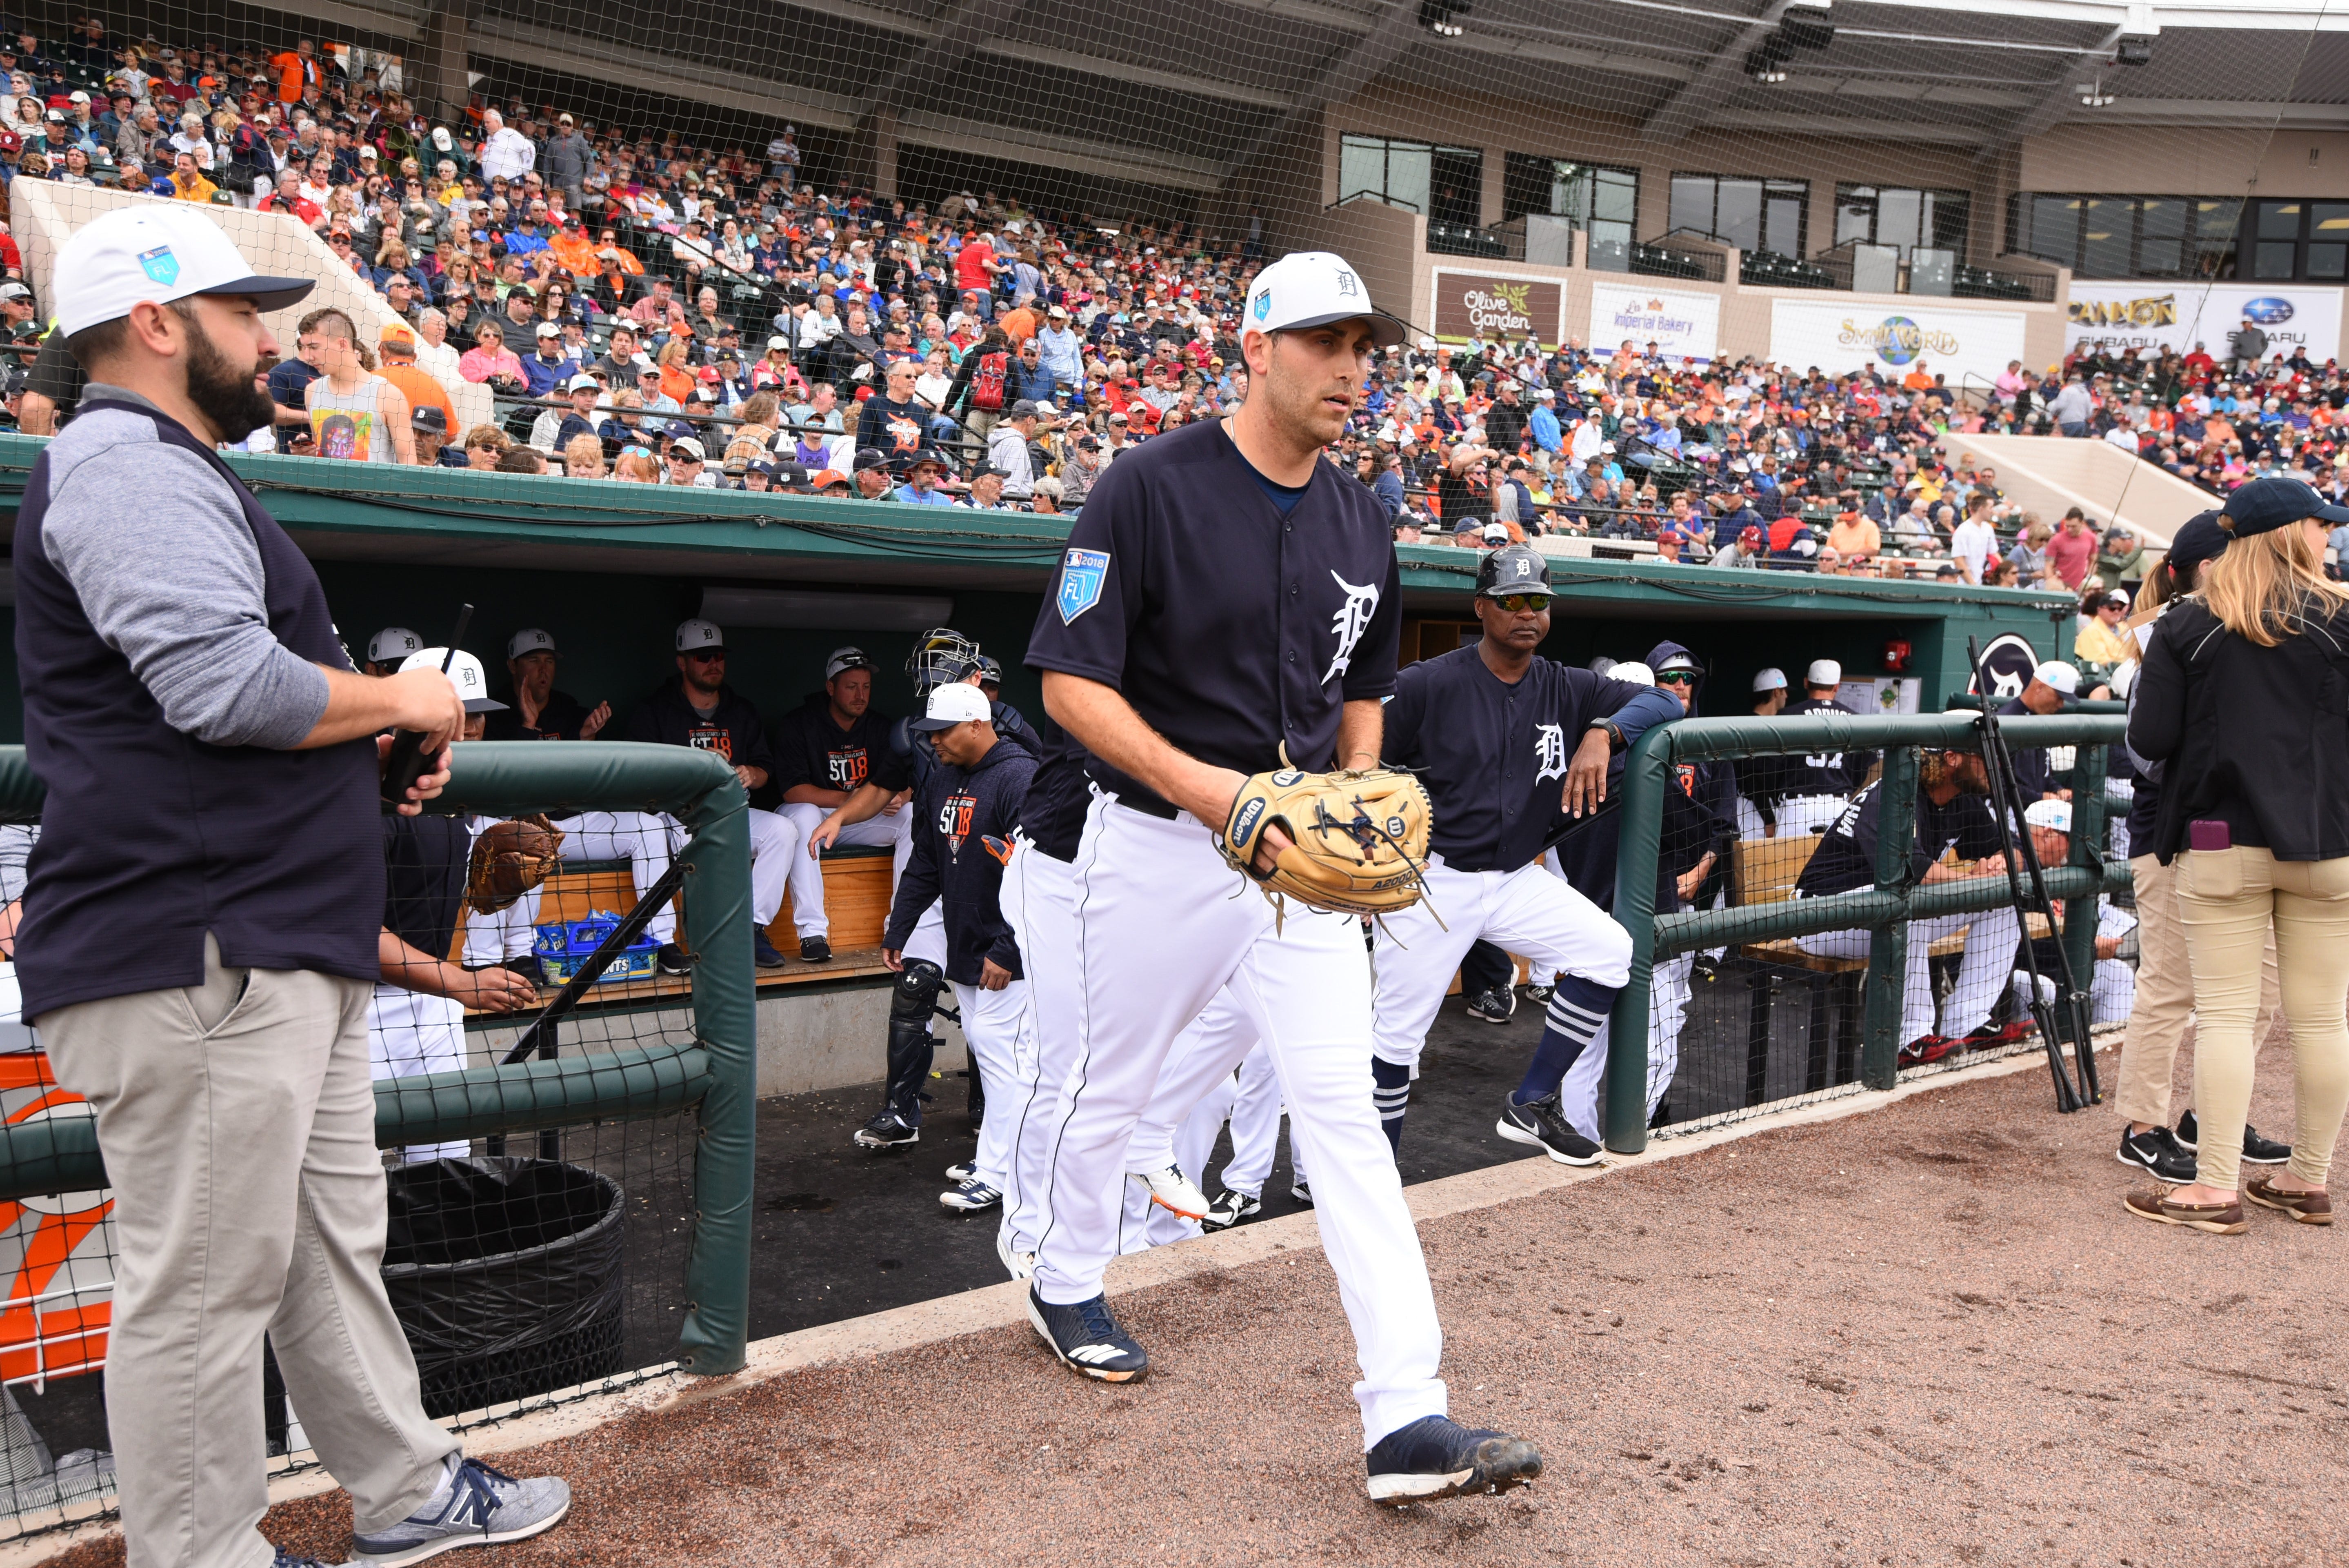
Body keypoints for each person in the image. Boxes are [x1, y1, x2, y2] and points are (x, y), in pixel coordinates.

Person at [14, 202, 569, 1568]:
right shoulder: (123, 462)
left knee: (327, 1242)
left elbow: (216, 713)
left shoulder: (173, 465)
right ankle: (199, 1554)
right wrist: (411, 689)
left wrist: (367, 761)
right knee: (205, 1284)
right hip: (200, 946)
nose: (267, 336)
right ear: (155, 323)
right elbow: (218, 686)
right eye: (238, 312)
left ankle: (404, 1487)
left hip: (270, 934)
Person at [1020, 251, 1540, 1501]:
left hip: (1298, 860)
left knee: (1345, 1114)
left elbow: (1361, 687)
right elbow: (1067, 681)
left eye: (1366, 346)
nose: (1352, 369)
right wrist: (1227, 797)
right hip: (1153, 839)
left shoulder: (1364, 514)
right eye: (1325, 341)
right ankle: (1061, 1270)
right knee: (1109, 1081)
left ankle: (1405, 1413)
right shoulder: (1144, 487)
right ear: (1253, 345)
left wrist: (1353, 792)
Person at [1369, 545, 1679, 1158]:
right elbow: (1363, 758)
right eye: (1510, 601)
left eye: (1537, 601)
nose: (1526, 613)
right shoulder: (1427, 682)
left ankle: (1531, 1101)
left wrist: (1604, 730)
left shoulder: (1568, 686)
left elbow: (1666, 702)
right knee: (1396, 1041)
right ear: (1481, 608)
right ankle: (1368, 1171)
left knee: (1610, 951)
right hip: (1434, 880)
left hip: (1513, 878)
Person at [2125, 475, 2349, 1233]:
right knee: (2323, 1021)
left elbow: (2150, 742)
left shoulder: (2188, 625)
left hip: (2223, 840)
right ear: (2291, 534)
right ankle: (2307, 1183)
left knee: (2225, 1015)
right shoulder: (2345, 620)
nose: (2329, 536)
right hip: (2330, 842)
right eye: (2322, 524)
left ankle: (2216, 1188)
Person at [2111, 515, 2287, 1183]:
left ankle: (2213, 1113)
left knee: (2262, 988)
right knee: (2171, 985)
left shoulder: (2246, 637)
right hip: (2169, 834)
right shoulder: (2165, 642)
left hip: (2238, 836)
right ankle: (2143, 1126)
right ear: (2208, 567)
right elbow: (2147, 753)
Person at [372, 646, 536, 1163]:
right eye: (457, 715)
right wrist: (463, 982)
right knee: (347, 1177)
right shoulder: (374, 798)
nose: (470, 728)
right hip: (356, 1005)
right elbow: (353, 931)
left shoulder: (458, 797)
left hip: (433, 998)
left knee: (444, 1165)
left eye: (478, 715)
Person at [880, 680, 1039, 1212]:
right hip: (966, 947)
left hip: (1004, 956)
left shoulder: (1019, 775)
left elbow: (1037, 876)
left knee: (1007, 1066)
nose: (933, 741)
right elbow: (926, 857)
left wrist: (1008, 949)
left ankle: (1005, 1173)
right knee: (994, 1061)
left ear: (977, 724)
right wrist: (899, 927)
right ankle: (995, 1158)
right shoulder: (944, 777)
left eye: (942, 730)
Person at [1790, 745, 2028, 1063]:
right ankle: (1910, 1039)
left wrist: (2000, 863)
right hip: (1822, 918)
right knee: (1907, 905)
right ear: (1951, 757)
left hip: (1882, 913)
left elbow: (2010, 845)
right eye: (1985, 758)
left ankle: (1968, 1022)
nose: (1995, 766)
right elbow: (1905, 868)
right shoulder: (1895, 791)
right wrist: (1972, 882)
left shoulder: (1962, 798)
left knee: (2004, 898)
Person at [618, 618, 799, 968]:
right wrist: (695, 767)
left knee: (783, 830)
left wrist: (751, 773)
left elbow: (766, 768)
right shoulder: (654, 711)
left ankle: (751, 928)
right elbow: (639, 777)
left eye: (717, 656)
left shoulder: (741, 710)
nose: (713, 663)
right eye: (702, 657)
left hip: (729, 813)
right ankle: (681, 942)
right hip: (676, 818)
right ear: (682, 662)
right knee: (659, 837)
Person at [772, 647, 903, 963]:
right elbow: (792, 791)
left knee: (913, 815)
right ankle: (812, 933)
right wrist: (853, 799)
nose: (861, 695)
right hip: (816, 815)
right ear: (830, 688)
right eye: (851, 687)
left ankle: (901, 927)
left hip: (858, 820)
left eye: (866, 687)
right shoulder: (800, 723)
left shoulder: (881, 727)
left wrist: (900, 795)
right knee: (803, 815)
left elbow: (906, 780)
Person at [1768, 658, 1871, 835]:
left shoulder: (1787, 715)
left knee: (1790, 863)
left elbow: (1771, 766)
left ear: (1806, 683)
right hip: (1838, 808)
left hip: (1797, 809)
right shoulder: (1855, 719)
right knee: (1835, 862)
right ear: (1837, 687)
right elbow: (1862, 769)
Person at [304, 307, 413, 464]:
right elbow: (319, 454)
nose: (308, 356)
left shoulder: (388, 395)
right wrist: (305, 453)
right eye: (304, 347)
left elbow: (409, 465)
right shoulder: (312, 391)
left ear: (342, 344)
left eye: (314, 347)